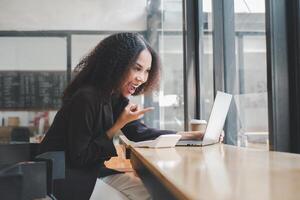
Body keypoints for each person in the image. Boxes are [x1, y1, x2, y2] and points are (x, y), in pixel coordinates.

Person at [39, 32, 208, 200]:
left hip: (91, 172)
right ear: (116, 64)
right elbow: (79, 158)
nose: (141, 78)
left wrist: (193, 136)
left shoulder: (115, 98)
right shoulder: (86, 98)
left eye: (147, 71)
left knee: (151, 194)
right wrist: (117, 125)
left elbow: (142, 133)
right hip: (64, 179)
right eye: (137, 68)